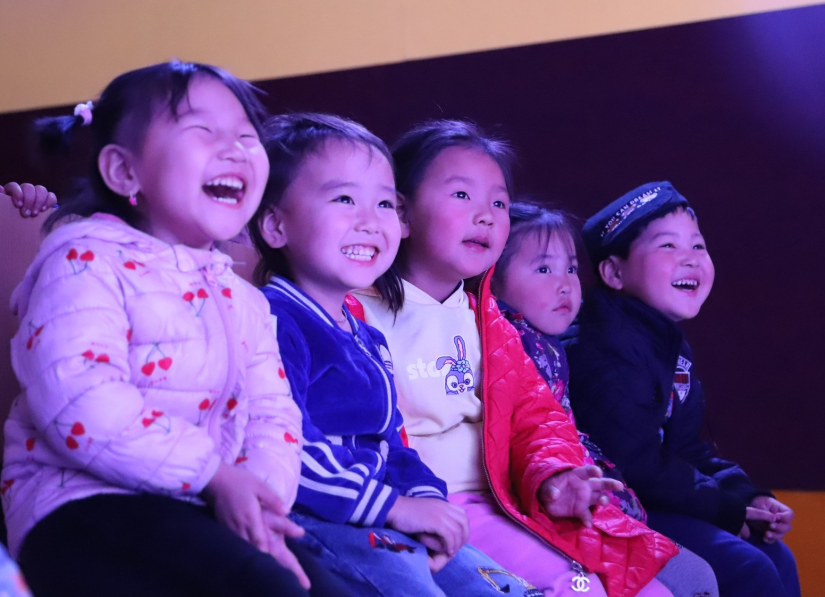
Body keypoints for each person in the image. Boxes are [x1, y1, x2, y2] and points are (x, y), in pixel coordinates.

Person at [0, 61, 346, 597]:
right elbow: (80, 399)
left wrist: (259, 503)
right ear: (124, 172)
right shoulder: (83, 261)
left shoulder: (244, 297)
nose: (235, 150)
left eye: (246, 136)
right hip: (78, 506)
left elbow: (273, 415)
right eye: (203, 130)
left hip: (202, 503)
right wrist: (214, 475)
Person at [352, 120, 677, 597]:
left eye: (499, 203)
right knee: (576, 590)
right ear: (401, 212)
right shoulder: (355, 312)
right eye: (461, 195)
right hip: (432, 506)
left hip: (510, 501)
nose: (486, 216)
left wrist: (555, 476)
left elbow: (537, 420)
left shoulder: (491, 323)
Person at [247, 112, 540, 596]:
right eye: (345, 199)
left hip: (382, 513)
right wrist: (394, 507)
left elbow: (391, 444)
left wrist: (427, 499)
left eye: (384, 203)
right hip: (320, 517)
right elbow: (283, 447)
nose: (370, 222)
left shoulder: (366, 335)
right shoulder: (271, 320)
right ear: (276, 225)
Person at [562, 181, 800, 597]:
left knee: (775, 554)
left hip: (658, 498)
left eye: (698, 246)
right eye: (668, 246)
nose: (690, 258)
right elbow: (634, 464)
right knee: (747, 567)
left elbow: (686, 449)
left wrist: (746, 496)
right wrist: (726, 509)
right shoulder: (604, 344)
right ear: (614, 273)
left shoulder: (668, 344)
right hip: (614, 507)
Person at [491, 201, 718, 597]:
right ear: (491, 279)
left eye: (570, 269)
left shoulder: (549, 346)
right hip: (546, 501)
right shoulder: (525, 344)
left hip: (589, 497)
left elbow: (688, 446)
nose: (565, 284)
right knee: (696, 578)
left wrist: (742, 496)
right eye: (543, 269)